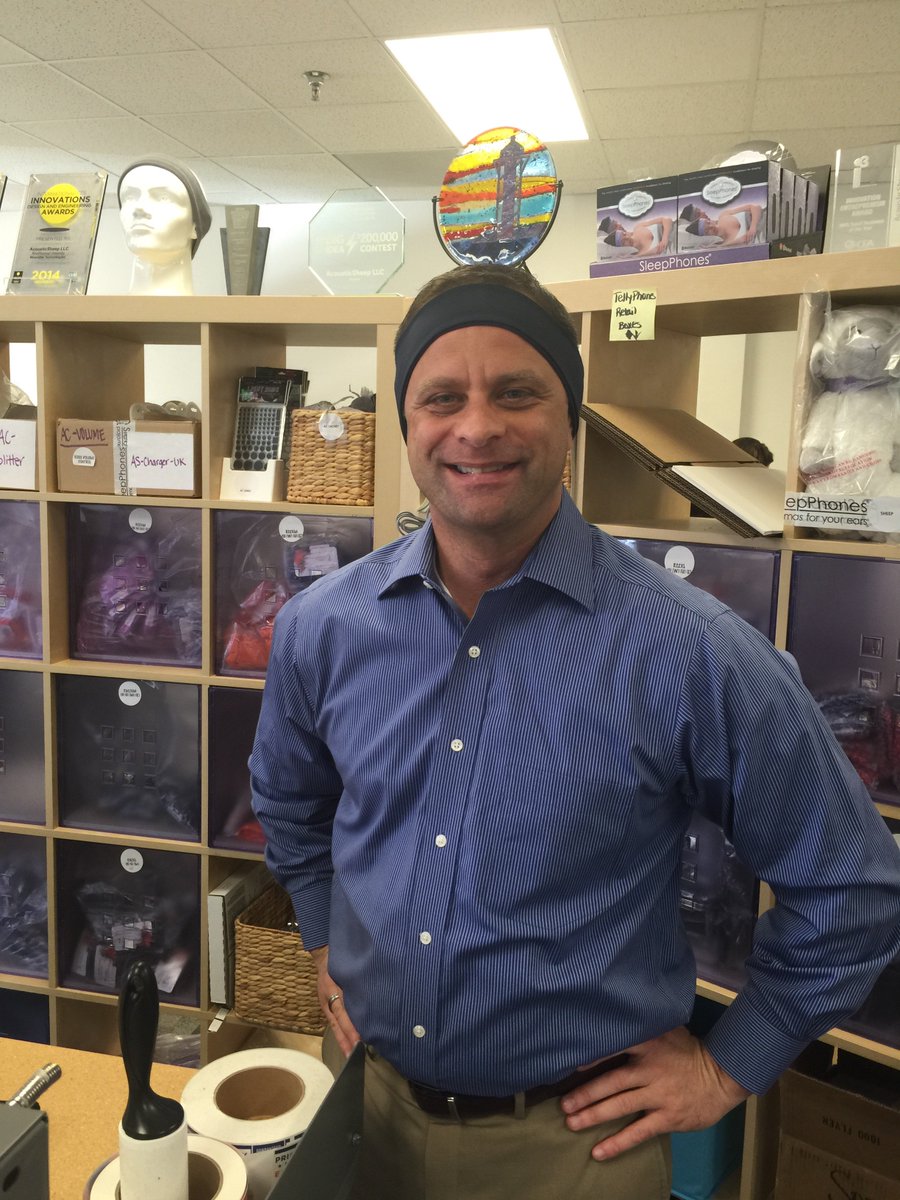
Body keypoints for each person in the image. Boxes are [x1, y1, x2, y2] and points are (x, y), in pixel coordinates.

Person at [250, 263, 900, 1200]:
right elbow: (289, 801)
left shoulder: (690, 648)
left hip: (572, 1151)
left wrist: (729, 1066)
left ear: (570, 421)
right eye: (443, 397)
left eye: (518, 392)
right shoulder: (325, 626)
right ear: (407, 421)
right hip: (364, 1107)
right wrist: (321, 940)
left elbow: (851, 884)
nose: (477, 426)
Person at [117, 158, 211, 296]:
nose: (139, 209)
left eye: (163, 198)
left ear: (194, 226)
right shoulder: (97, 309)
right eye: (130, 197)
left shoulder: (216, 310)